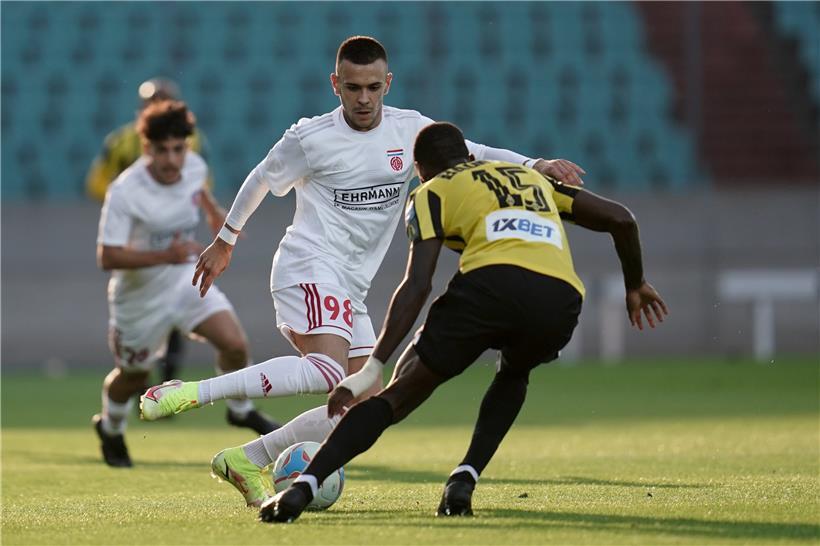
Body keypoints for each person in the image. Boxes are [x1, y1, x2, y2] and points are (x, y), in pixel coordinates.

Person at [139, 36, 586, 506]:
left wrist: (535, 164)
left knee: (361, 400)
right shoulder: (310, 138)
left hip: (352, 284)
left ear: (388, 83)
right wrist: (225, 240)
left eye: (374, 87)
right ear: (336, 84)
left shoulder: (409, 131)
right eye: (353, 88)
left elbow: (473, 152)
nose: (364, 98)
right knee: (328, 369)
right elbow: (262, 177)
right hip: (308, 263)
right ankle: (191, 391)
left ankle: (249, 457)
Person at [259, 121, 668, 522]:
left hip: (488, 287)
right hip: (559, 298)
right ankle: (464, 477)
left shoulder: (430, 193)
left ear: (419, 172)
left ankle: (302, 487)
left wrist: (373, 366)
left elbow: (417, 285)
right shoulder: (530, 179)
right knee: (514, 372)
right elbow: (621, 219)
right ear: (469, 156)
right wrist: (636, 284)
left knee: (397, 396)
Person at [92, 100, 278, 468]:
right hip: (138, 299)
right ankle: (111, 429)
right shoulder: (126, 191)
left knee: (235, 345)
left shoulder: (194, 167)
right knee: (135, 377)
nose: (172, 159)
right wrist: (168, 254)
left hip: (183, 281)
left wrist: (213, 213)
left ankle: (240, 411)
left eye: (179, 149)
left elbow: (198, 190)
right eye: (162, 150)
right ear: (147, 148)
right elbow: (107, 257)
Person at [87, 77, 215, 384]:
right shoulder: (121, 143)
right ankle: (136, 365)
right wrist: (129, 206)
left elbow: (201, 183)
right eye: (151, 101)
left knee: (178, 303)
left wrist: (205, 209)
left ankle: (163, 378)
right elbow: (97, 183)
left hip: (171, 234)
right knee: (139, 300)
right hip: (139, 238)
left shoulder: (191, 142)